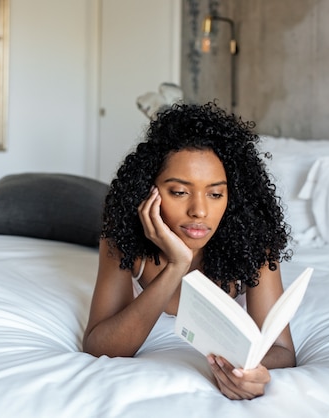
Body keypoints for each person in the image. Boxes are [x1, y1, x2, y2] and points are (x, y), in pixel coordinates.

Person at [83, 102, 293, 400]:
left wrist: (245, 371)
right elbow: (99, 348)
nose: (199, 211)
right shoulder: (121, 238)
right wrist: (176, 266)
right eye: (179, 192)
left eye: (215, 193)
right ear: (149, 190)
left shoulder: (254, 242)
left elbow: (283, 352)